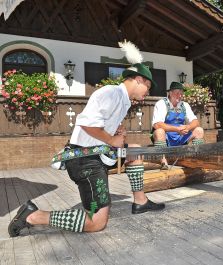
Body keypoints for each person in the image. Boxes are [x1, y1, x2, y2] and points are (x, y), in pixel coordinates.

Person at [8, 42, 165, 237]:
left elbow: (100, 124)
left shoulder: (123, 100)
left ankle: (140, 202)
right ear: (139, 80)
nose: (147, 93)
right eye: (148, 87)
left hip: (98, 154)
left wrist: (115, 131)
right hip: (85, 160)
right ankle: (34, 216)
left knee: (134, 150)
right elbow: (87, 124)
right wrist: (111, 139)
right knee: (96, 222)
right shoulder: (111, 93)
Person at [151, 81, 204, 169]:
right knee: (159, 131)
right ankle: (164, 163)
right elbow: (157, 125)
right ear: (170, 93)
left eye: (181, 93)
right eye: (177, 93)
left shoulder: (185, 105)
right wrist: (177, 129)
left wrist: (188, 127)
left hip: (181, 137)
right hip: (166, 138)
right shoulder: (161, 103)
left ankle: (196, 160)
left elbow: (195, 121)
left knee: (199, 130)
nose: (180, 96)